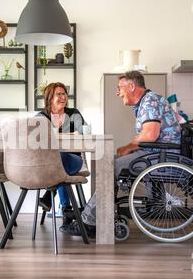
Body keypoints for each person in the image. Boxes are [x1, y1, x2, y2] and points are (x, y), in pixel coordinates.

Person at [60, 71, 182, 238]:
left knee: (109, 166)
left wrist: (129, 147)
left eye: (120, 88)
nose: (118, 93)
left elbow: (150, 134)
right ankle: (99, 216)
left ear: (132, 86)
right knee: (110, 163)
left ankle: (89, 222)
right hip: (155, 153)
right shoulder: (145, 102)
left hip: (159, 156)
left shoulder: (150, 101)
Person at [36, 82, 86, 225]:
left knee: (60, 160)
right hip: (47, 164)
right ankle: (67, 210)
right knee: (58, 162)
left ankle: (49, 194)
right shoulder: (41, 117)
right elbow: (34, 141)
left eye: (64, 94)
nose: (63, 97)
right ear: (50, 97)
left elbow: (84, 134)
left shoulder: (74, 114)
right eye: (59, 94)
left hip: (73, 160)